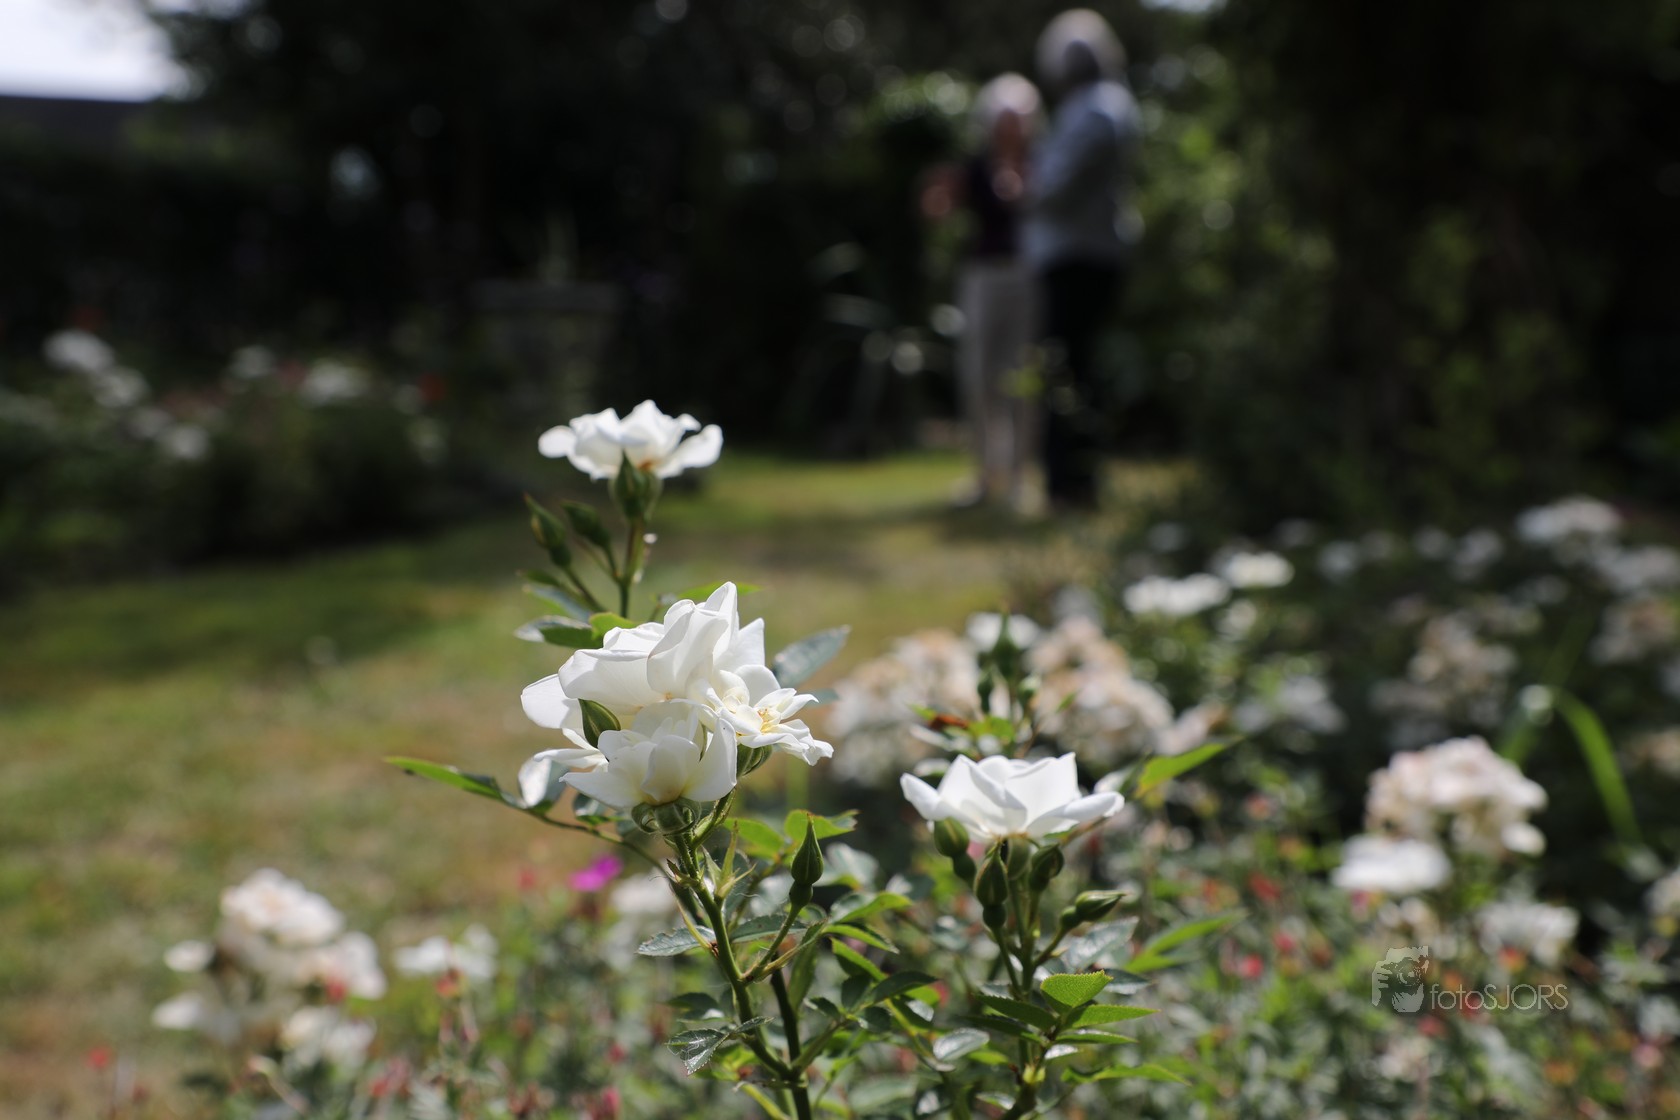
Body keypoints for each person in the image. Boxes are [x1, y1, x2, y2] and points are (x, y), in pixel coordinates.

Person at [1023, 9, 1140, 511]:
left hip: (1080, 258)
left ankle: (1070, 484)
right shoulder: (1093, 106)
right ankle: (1072, 482)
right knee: (1072, 368)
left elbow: (1055, 188)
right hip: (1079, 256)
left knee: (1068, 370)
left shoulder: (1098, 108)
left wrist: (1025, 188)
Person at [950, 74, 1044, 509]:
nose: (1010, 128)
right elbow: (949, 206)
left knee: (1024, 375)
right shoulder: (975, 166)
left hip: (1029, 274)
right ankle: (986, 475)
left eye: (1017, 119)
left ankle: (1021, 478)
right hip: (983, 275)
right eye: (1003, 119)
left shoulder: (1044, 162)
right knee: (979, 374)